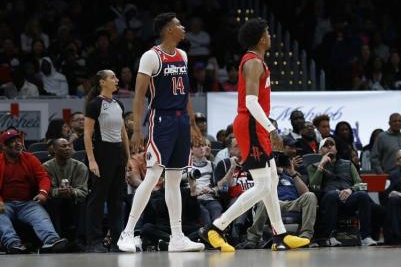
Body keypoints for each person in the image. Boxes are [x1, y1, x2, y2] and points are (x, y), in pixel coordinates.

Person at [201, 18, 310, 252]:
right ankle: (216, 227)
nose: (271, 36)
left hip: (255, 124)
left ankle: (280, 235)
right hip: (250, 125)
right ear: (261, 38)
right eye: (268, 33)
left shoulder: (258, 61)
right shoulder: (253, 62)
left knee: (270, 181)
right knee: (262, 185)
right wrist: (272, 129)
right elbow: (250, 101)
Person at [117, 13, 206, 252]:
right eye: (179, 24)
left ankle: (177, 237)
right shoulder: (151, 56)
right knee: (153, 175)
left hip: (180, 122)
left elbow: (185, 93)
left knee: (176, 180)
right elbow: (138, 97)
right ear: (168, 30)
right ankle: (127, 232)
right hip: (161, 120)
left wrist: (193, 124)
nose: (183, 27)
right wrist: (137, 129)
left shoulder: (183, 55)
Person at [82, 70, 129, 252]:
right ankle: (93, 241)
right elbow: (87, 134)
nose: (116, 80)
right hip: (101, 154)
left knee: (116, 200)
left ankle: (118, 241)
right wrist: (92, 161)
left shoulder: (119, 104)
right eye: (112, 77)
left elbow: (123, 132)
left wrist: (128, 158)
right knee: (97, 199)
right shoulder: (95, 105)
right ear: (102, 82)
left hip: (117, 154)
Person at [0, 130, 67, 253]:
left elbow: (43, 177)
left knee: (40, 216)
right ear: (4, 146)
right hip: (5, 203)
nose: (18, 144)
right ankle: (13, 243)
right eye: (12, 142)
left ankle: (51, 240)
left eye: (18, 141)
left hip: (27, 203)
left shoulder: (29, 158)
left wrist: (43, 193)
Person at [245, 149, 319, 246]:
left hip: (292, 204)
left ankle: (305, 237)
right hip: (274, 203)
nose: (278, 165)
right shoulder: (264, 176)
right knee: (264, 200)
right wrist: (270, 172)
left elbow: (305, 193)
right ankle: (253, 239)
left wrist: (292, 172)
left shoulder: (291, 176)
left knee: (310, 196)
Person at [42, 138, 89, 244]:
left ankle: (80, 240)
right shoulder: (46, 167)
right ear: (54, 150)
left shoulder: (80, 167)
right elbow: (46, 190)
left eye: (69, 146)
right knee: (51, 202)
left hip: (74, 199)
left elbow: (83, 191)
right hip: (55, 200)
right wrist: (58, 192)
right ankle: (56, 240)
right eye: (63, 146)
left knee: (82, 202)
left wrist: (72, 192)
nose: (68, 148)